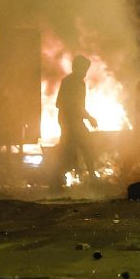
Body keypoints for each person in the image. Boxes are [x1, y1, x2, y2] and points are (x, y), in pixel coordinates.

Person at [56, 55, 98, 183]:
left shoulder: (77, 82)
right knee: (84, 147)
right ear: (77, 68)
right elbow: (67, 105)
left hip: (72, 121)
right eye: (84, 69)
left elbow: (75, 106)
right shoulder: (72, 82)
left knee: (73, 149)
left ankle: (59, 178)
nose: (85, 73)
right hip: (70, 121)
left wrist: (86, 116)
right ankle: (91, 178)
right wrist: (89, 118)